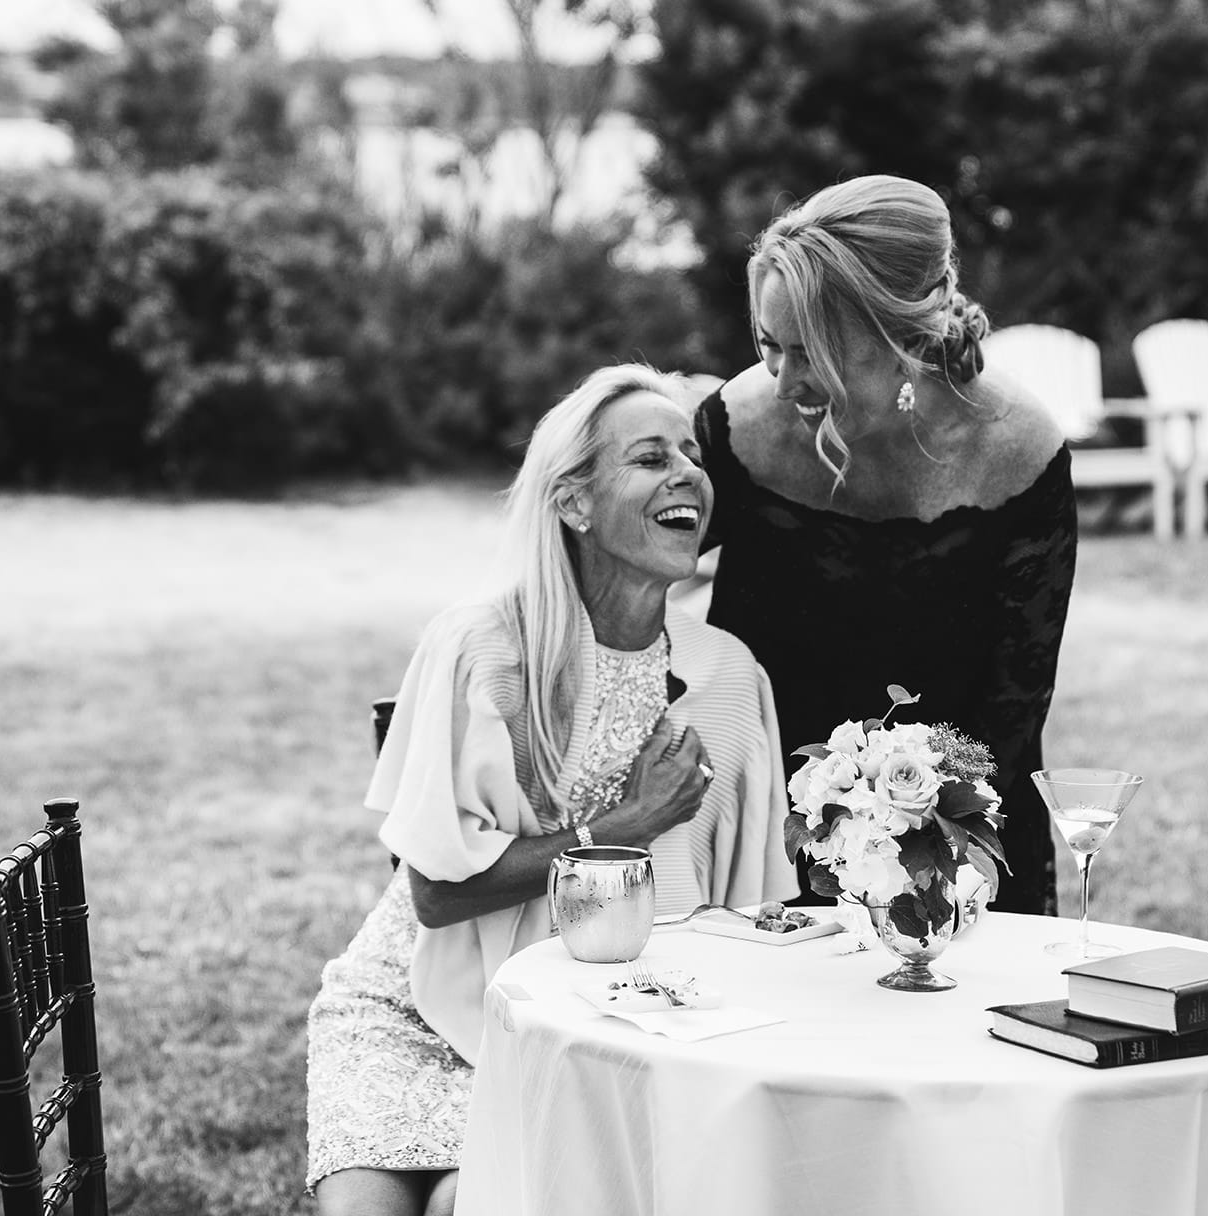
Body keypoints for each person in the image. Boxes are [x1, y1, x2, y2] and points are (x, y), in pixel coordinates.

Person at [306, 363, 797, 1216]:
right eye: (650, 458)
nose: (687, 473)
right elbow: (434, 892)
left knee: (481, 1203)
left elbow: (746, 911)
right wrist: (627, 825)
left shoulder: (728, 679)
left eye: (691, 452)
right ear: (572, 502)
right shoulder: (484, 646)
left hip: (596, 1033)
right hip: (415, 1009)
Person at [691, 174, 1076, 914]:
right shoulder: (737, 429)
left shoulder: (1017, 450)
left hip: (955, 829)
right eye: (768, 345)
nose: (781, 381)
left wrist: (923, 849)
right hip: (759, 833)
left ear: (899, 338)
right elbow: (622, 585)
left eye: (810, 356)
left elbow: (1014, 706)